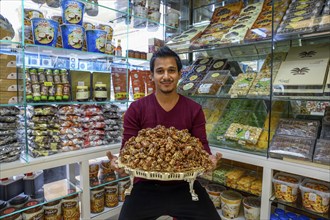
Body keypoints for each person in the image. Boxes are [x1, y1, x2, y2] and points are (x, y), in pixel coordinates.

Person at [107, 46, 222, 220]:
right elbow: (128, 149)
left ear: (179, 74)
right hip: (145, 185)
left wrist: (209, 160)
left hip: (184, 185)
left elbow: (202, 147)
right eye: (160, 71)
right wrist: (120, 164)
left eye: (171, 71)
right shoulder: (136, 109)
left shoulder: (194, 109)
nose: (166, 76)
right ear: (151, 76)